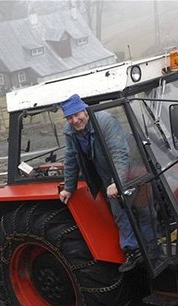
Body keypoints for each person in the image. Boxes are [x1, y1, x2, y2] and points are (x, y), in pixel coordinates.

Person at [58, 94, 142, 272]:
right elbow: (71, 158)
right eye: (69, 117)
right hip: (104, 173)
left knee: (137, 207)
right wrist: (68, 188)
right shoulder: (70, 131)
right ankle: (134, 249)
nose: (74, 120)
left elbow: (119, 153)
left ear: (85, 110)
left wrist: (116, 183)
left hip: (130, 166)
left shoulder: (104, 121)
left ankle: (141, 247)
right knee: (119, 211)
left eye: (77, 115)